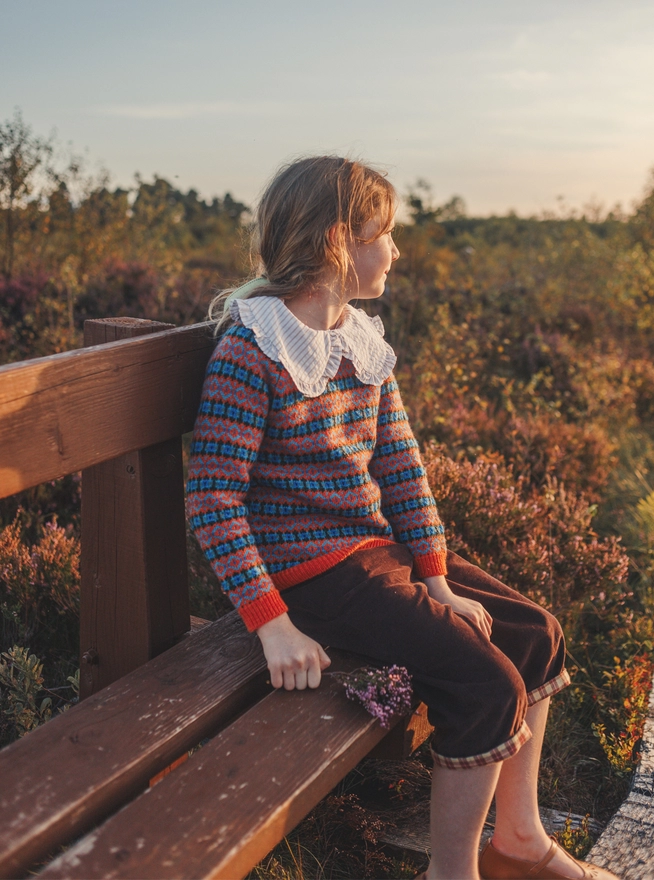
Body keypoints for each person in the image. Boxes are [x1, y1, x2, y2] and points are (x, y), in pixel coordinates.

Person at [186, 156, 617, 880]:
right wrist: (274, 624)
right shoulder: (251, 350)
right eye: (384, 234)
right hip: (311, 581)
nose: (396, 250)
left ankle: (520, 839)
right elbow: (213, 497)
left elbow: (403, 471)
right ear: (335, 242)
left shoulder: (361, 344)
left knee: (536, 635)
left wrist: (438, 579)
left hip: (371, 556)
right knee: (487, 684)